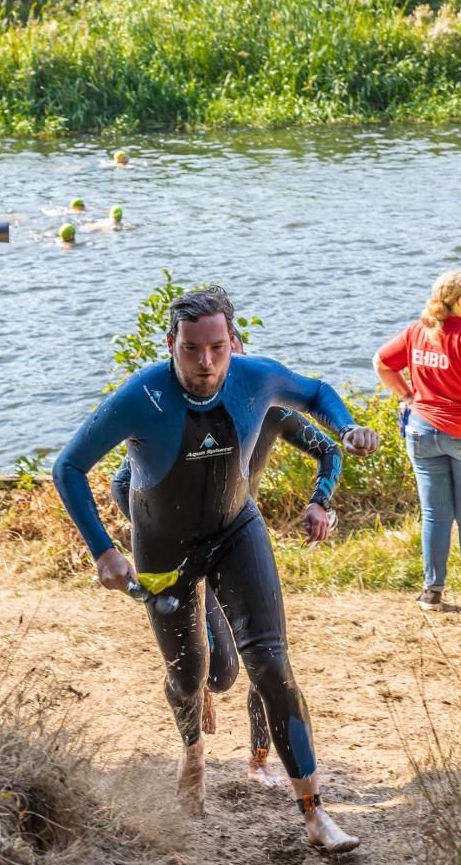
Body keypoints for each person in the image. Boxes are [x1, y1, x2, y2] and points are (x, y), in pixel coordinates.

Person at [54, 286, 379, 851]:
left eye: (217, 348)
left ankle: (314, 814)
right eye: (191, 350)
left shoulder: (257, 377)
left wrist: (346, 426)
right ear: (171, 344)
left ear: (231, 342)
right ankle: (193, 754)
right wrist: (104, 548)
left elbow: (318, 391)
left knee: (272, 666)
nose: (205, 363)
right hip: (164, 552)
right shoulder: (141, 397)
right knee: (191, 676)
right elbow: (69, 468)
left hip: (236, 532)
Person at [111, 329, 342, 788]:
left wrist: (321, 501)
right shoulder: (175, 412)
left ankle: (259, 760)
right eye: (203, 353)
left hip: (238, 543)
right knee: (218, 674)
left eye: (227, 353)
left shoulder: (267, 407)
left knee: (267, 660)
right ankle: (193, 689)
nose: (214, 367)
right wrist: (156, 532)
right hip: (178, 551)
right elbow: (124, 482)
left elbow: (328, 449)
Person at [374, 270, 461, 612]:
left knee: (434, 514)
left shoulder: (418, 331)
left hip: (423, 432)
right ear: (460, 300)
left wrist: (408, 396)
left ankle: (432, 592)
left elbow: (380, 362)